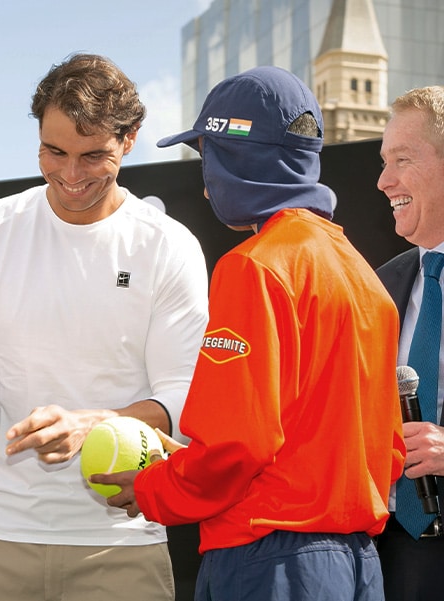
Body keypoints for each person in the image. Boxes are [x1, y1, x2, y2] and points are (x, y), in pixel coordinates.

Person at [93, 66, 406, 600]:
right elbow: (387, 449)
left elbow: (238, 445)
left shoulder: (256, 266)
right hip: (359, 566)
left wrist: (156, 486)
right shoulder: (363, 276)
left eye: (206, 155)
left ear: (237, 156)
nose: (206, 177)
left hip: (272, 562)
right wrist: (188, 460)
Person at [0, 53, 209, 601]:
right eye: (54, 151)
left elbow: (181, 397)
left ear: (129, 140)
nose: (71, 175)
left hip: (123, 543)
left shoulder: (169, 245)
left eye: (92, 155)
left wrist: (91, 425)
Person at [375, 85, 444, 601]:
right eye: (384, 161)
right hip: (390, 553)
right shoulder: (382, 286)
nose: (384, 181)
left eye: (402, 159)